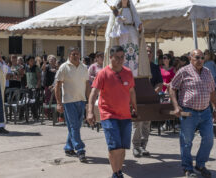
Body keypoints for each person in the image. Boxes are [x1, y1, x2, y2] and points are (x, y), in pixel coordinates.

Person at [87, 45, 138, 178]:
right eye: (117, 57)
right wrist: (90, 111)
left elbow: (132, 91)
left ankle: (119, 171)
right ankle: (116, 173)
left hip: (125, 115)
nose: (120, 60)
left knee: (122, 147)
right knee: (114, 146)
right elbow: (93, 93)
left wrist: (135, 107)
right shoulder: (103, 73)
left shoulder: (128, 72)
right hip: (108, 115)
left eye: (122, 57)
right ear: (110, 58)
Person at [169, 49, 216, 178]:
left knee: (209, 139)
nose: (200, 60)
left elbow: (212, 91)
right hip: (188, 112)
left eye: (202, 58)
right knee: (186, 141)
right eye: (197, 57)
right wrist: (176, 106)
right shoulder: (184, 71)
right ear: (191, 58)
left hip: (206, 111)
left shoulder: (207, 72)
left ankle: (200, 164)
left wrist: (215, 108)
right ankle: (187, 168)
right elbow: (172, 87)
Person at [104, 0, 150, 77]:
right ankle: (121, 70)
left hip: (132, 31)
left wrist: (140, 28)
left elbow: (137, 20)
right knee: (123, 50)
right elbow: (113, 24)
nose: (125, 0)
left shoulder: (132, 11)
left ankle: (134, 72)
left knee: (133, 51)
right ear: (120, 0)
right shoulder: (117, 11)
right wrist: (119, 20)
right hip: (122, 32)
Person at [55, 47, 90, 163]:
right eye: (73, 54)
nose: (76, 56)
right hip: (68, 102)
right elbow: (57, 86)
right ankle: (80, 150)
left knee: (75, 127)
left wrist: (89, 101)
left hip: (81, 100)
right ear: (69, 55)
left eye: (77, 54)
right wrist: (59, 103)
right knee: (75, 126)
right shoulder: (64, 67)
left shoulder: (84, 67)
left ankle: (68, 147)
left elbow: (87, 85)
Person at [131, 46, 163, 158]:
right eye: (146, 51)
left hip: (150, 99)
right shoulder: (136, 66)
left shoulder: (155, 67)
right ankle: (136, 147)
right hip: (137, 100)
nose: (148, 53)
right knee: (137, 123)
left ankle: (143, 146)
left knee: (146, 124)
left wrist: (153, 92)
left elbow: (160, 83)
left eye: (150, 52)